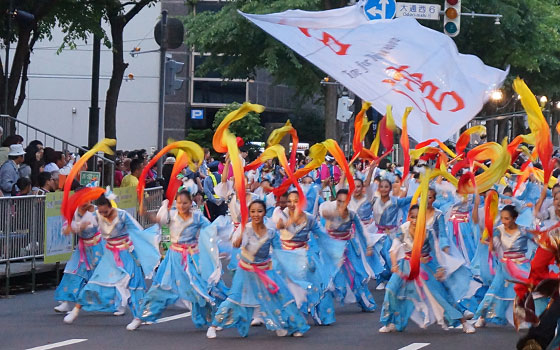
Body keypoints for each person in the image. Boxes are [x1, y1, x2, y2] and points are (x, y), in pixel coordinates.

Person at [206, 200, 309, 339]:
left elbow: (279, 250)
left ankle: (289, 325)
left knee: (281, 296)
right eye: (253, 211)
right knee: (234, 298)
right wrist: (239, 236)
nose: (256, 214)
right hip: (246, 270)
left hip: (265, 270)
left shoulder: (271, 231)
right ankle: (214, 326)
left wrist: (293, 262)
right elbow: (236, 244)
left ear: (264, 213)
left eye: (259, 211)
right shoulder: (245, 228)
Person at [129, 190, 223, 331]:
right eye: (179, 202)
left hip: (192, 258)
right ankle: (141, 317)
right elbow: (156, 220)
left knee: (200, 289)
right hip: (173, 258)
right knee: (159, 287)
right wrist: (144, 211)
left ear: (190, 203)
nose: (182, 206)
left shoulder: (197, 218)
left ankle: (213, 321)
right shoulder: (171, 215)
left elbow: (210, 231)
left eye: (185, 203)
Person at [64, 195, 160, 330]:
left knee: (135, 285)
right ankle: (76, 310)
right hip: (110, 255)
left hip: (126, 253)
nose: (103, 214)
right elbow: (79, 226)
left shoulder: (123, 216)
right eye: (101, 212)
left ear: (111, 207)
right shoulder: (96, 215)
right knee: (96, 281)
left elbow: (138, 232)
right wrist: (75, 227)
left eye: (106, 211)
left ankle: (139, 317)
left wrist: (144, 249)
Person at [379, 205, 475, 333]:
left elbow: (435, 253)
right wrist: (394, 264)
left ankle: (463, 322)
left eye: (417, 217)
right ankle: (391, 322)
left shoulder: (428, 232)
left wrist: (439, 268)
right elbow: (394, 248)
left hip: (425, 266)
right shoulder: (403, 229)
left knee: (440, 295)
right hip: (405, 267)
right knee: (391, 290)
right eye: (412, 217)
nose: (414, 220)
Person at [274, 191, 337, 325]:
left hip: (304, 255)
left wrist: (331, 248)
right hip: (285, 257)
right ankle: (293, 319)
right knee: (287, 288)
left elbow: (321, 234)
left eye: (295, 201)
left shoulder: (309, 218)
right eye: (289, 201)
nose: (291, 204)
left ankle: (318, 316)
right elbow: (276, 227)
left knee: (315, 286)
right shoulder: (281, 215)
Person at [474, 205, 534, 328]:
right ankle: (482, 316)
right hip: (505, 267)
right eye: (502, 218)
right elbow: (494, 247)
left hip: (521, 266)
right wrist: (487, 242)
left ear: (515, 218)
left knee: (526, 292)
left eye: (507, 219)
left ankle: (526, 317)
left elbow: (539, 241)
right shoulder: (498, 230)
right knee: (494, 290)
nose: (504, 221)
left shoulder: (524, 231)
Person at [319, 189, 377, 312]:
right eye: (339, 201)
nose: (341, 204)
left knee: (357, 276)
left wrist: (369, 246)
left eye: (344, 202)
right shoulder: (330, 210)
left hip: (348, 247)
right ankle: (325, 310)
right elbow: (323, 212)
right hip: (332, 249)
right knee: (333, 279)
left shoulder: (352, 214)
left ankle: (367, 303)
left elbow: (362, 229)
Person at [54, 199, 102, 314]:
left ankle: (119, 302)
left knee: (103, 275)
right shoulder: (74, 213)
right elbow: (66, 230)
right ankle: (65, 302)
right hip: (81, 249)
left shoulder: (97, 212)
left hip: (97, 248)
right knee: (71, 271)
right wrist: (75, 227)